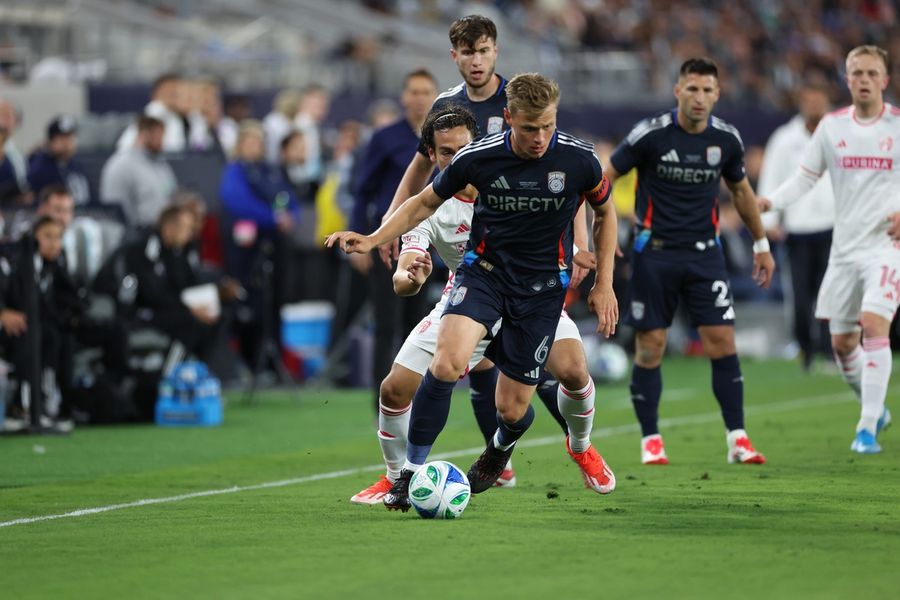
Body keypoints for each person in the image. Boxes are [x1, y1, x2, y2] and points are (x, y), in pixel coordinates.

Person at [328, 73, 619, 509]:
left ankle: (557, 447)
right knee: (445, 364)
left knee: (518, 406)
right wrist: (373, 239)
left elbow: (601, 210)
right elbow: (422, 203)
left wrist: (604, 282)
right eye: (528, 128)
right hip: (482, 278)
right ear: (507, 119)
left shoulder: (579, 160)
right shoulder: (477, 159)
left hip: (539, 290)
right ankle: (406, 476)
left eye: (547, 126)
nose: (539, 139)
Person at [605, 57, 775, 466]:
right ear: (678, 91)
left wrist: (761, 244)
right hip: (654, 255)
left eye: (707, 90)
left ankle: (738, 437)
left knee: (723, 342)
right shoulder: (651, 135)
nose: (699, 98)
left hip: (705, 256)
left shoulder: (726, 140)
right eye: (692, 89)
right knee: (651, 347)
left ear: (718, 94)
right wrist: (601, 231)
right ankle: (651, 439)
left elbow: (741, 194)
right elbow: (602, 179)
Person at [760, 46, 900, 454]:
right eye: (856, 72)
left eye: (872, 73)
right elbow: (805, 178)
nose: (863, 79)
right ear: (847, 79)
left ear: (885, 80)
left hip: (885, 249)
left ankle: (867, 428)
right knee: (842, 345)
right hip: (844, 250)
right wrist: (772, 202)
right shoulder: (832, 128)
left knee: (874, 325)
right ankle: (874, 405)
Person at [380, 14, 509, 262]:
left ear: (496, 51)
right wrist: (392, 217)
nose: (477, 61)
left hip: (511, 227)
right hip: (457, 229)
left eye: (483, 51)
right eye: (468, 52)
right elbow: (420, 166)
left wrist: (578, 239)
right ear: (454, 55)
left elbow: (556, 165)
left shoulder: (517, 101)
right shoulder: (445, 104)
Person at [349, 68, 438, 409]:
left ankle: (415, 398)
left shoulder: (445, 137)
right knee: (386, 324)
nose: (419, 98)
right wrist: (361, 239)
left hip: (431, 242)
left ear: (435, 96)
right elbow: (363, 192)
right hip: (388, 242)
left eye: (425, 91)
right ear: (403, 97)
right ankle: (382, 402)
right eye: (413, 91)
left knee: (420, 326)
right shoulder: (384, 138)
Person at [757, 81, 835, 371]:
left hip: (833, 226)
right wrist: (769, 221)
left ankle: (831, 352)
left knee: (832, 294)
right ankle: (806, 348)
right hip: (798, 229)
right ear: (802, 101)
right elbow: (771, 177)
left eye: (819, 99)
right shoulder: (785, 139)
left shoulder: (839, 134)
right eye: (809, 99)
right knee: (800, 297)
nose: (814, 105)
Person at [100, 115, 178, 228]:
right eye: (159, 136)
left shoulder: (162, 166)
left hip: (163, 234)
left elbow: (172, 195)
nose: (162, 142)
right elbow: (113, 209)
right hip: (136, 235)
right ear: (145, 134)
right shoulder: (120, 165)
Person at [27, 114, 91, 206]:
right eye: (62, 139)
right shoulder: (39, 167)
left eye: (70, 138)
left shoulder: (76, 165)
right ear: (50, 141)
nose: (67, 144)